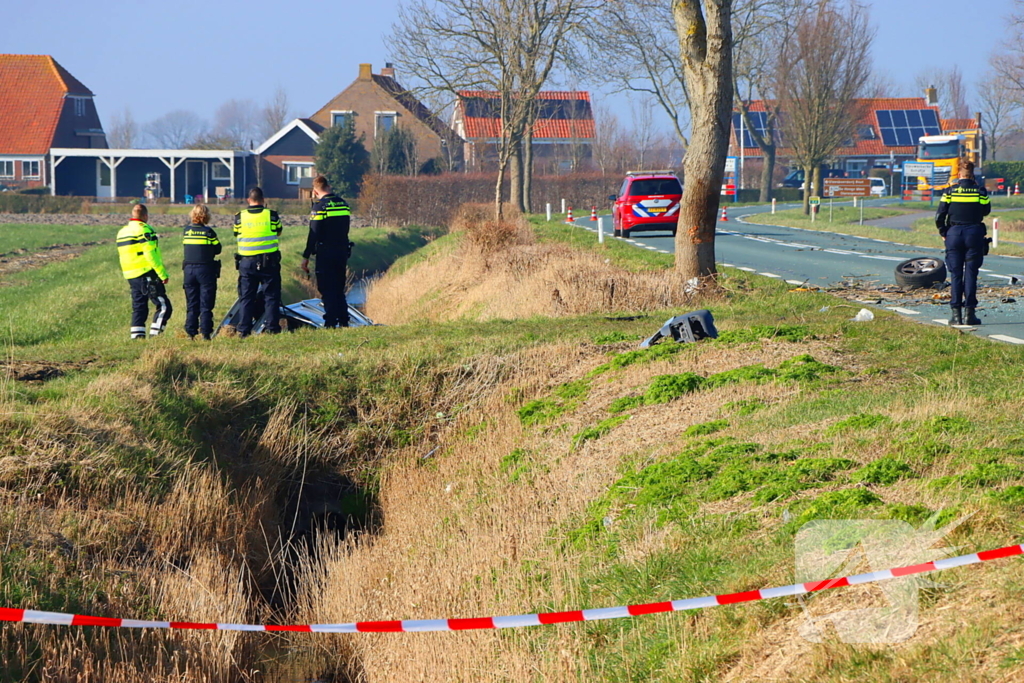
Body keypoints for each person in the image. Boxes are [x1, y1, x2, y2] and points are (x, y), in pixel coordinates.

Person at [935, 160, 990, 326]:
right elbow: (986, 211)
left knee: (956, 274)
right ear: (972, 175)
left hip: (954, 234)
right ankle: (970, 314)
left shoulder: (950, 191)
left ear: (958, 175)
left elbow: (939, 216)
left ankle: (956, 315)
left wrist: (944, 232)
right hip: (974, 233)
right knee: (971, 274)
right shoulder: (980, 191)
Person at [301, 175, 352, 328]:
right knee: (338, 286)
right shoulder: (343, 204)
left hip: (326, 252)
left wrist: (306, 256)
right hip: (342, 250)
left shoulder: (319, 207)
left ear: (315, 192)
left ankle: (330, 322)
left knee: (326, 287)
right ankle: (343, 320)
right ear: (328, 187)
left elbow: (314, 233)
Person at [116, 203, 172, 339]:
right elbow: (150, 254)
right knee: (164, 306)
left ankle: (137, 338)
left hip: (130, 274)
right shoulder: (144, 230)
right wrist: (162, 274)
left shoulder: (122, 231)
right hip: (145, 272)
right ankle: (155, 337)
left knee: (139, 307)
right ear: (145, 216)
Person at [233, 187, 283, 337]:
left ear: (249, 200)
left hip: (247, 262)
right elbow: (278, 231)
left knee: (247, 296)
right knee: (271, 296)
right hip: (269, 262)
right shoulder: (272, 215)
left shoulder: (239, 217)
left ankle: (243, 330)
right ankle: (272, 328)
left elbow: (236, 233)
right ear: (263, 200)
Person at [182, 204, 221, 340]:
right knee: (206, 303)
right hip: (205, 270)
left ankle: (190, 333)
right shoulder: (209, 232)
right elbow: (218, 249)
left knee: (192, 304)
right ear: (206, 216)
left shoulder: (186, 231)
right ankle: (205, 333)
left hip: (188, 271)